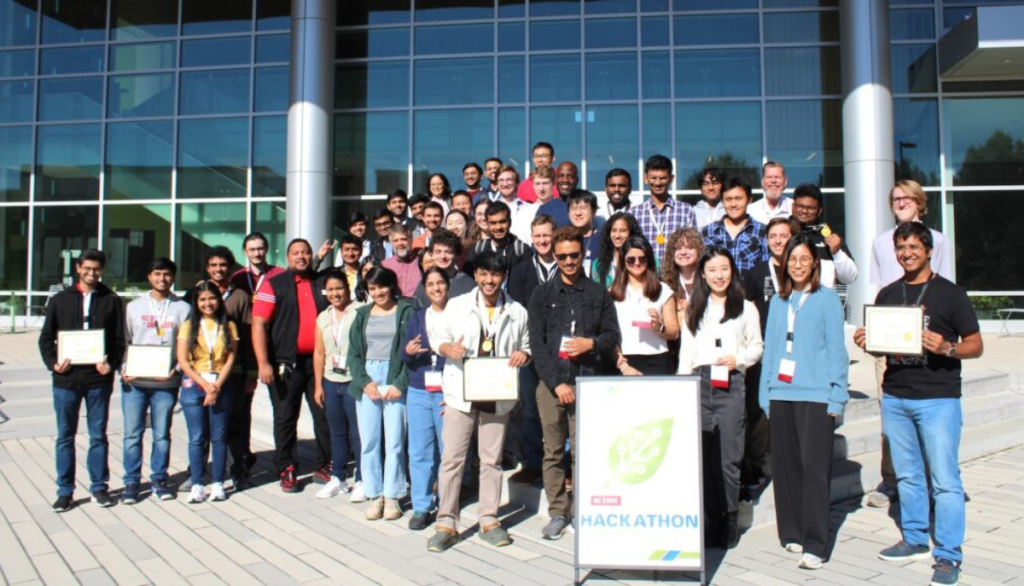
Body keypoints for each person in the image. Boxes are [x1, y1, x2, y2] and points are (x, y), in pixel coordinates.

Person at [854, 223, 982, 586]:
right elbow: (886, 346)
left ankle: (948, 555)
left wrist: (948, 348)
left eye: (913, 246)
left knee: (944, 481)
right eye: (900, 247)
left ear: (928, 250)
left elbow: (975, 344)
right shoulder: (888, 294)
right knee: (908, 475)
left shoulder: (951, 294)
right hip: (896, 396)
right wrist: (869, 342)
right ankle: (913, 539)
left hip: (938, 399)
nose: (906, 253)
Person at [426, 251, 531, 552]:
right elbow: (438, 337)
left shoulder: (517, 310)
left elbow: (525, 345)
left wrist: (524, 355)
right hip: (461, 392)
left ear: (503, 276)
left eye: (495, 275)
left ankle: (489, 520)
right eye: (484, 274)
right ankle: (446, 522)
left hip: (497, 393)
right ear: (476, 276)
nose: (489, 280)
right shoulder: (457, 306)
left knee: (491, 461)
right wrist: (449, 349)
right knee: (453, 460)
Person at [759, 234, 849, 570]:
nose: (797, 265)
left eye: (804, 259)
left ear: (815, 263)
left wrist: (837, 394)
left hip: (816, 395)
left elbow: (837, 351)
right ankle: (792, 531)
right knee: (786, 467)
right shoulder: (778, 301)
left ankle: (816, 542)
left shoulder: (826, 299)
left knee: (814, 469)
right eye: (792, 259)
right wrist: (765, 394)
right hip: (781, 395)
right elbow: (771, 350)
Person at [865, 179, 954, 509]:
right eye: (895, 198)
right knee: (890, 412)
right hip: (889, 340)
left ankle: (929, 480)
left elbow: (945, 288)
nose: (900, 202)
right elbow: (876, 289)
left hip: (924, 339)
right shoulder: (879, 242)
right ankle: (891, 480)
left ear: (920, 202)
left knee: (926, 413)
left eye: (906, 198)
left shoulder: (939, 241)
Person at [528, 227, 621, 541]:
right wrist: (556, 384)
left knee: (585, 452)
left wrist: (590, 345)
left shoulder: (597, 293)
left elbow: (612, 336)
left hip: (587, 382)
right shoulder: (541, 295)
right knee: (553, 452)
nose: (569, 260)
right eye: (563, 255)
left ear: (583, 255)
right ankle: (557, 513)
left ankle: (583, 511)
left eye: (574, 255)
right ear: (554, 256)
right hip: (552, 384)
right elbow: (537, 346)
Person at [677, 246, 763, 549]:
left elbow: (757, 347)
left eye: (724, 269)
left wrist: (737, 359)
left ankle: (728, 521)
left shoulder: (745, 307)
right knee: (702, 458)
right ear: (702, 273)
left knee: (728, 458)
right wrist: (682, 387)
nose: (719, 275)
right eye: (712, 270)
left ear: (732, 271)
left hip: (731, 385)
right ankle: (707, 520)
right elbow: (686, 353)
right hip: (698, 384)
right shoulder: (693, 307)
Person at [41, 249, 125, 512]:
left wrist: (110, 364)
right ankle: (65, 490)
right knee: (65, 436)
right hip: (66, 379)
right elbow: (45, 339)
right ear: (78, 268)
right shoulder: (60, 300)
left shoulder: (111, 300)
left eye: (96, 269)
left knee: (97, 435)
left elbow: (119, 340)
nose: (92, 273)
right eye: (87, 268)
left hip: (97, 380)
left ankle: (99, 487)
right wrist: (53, 362)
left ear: (102, 270)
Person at [252, 239, 333, 492]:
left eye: (306, 252)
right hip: (285, 365)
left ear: (312, 256)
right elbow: (258, 325)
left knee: (323, 414)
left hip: (319, 364)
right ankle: (286, 466)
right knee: (285, 417)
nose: (301, 257)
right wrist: (263, 363)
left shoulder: (322, 283)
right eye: (296, 253)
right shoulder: (274, 284)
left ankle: (325, 462)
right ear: (287, 257)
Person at [120, 258, 191, 504]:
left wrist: (177, 369)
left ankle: (159, 479)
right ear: (149, 276)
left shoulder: (183, 308)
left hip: (165, 382)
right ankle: (131, 482)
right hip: (135, 382)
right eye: (157, 274)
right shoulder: (133, 307)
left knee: (162, 434)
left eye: (167, 274)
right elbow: (125, 341)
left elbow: (188, 346)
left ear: (173, 277)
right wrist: (123, 368)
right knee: (132, 434)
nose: (162, 279)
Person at [347, 267, 415, 521]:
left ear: (392, 286)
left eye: (382, 287)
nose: (378, 293)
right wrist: (364, 382)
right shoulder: (362, 314)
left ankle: (393, 495)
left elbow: (413, 352)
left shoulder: (406, 312)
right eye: (372, 288)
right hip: (368, 379)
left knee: (395, 441)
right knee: (370, 441)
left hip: (395, 377)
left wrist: (400, 382)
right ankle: (375, 494)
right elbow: (353, 353)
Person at [741, 217, 800, 499]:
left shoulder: (802, 269)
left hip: (795, 352)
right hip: (764, 350)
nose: (777, 241)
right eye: (772, 236)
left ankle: (790, 461)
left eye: (783, 235)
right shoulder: (756, 273)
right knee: (758, 411)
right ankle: (755, 465)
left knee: (791, 407)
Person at [228, 232, 285, 485]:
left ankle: (285, 460)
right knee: (242, 408)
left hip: (274, 346)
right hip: (243, 348)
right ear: (245, 252)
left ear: (267, 249)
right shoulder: (238, 278)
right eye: (252, 249)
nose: (257, 253)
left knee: (281, 407)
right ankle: (243, 456)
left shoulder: (280, 274)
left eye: (261, 248)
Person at [506, 214, 558, 485]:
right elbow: (515, 310)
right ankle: (532, 462)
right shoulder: (521, 269)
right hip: (529, 349)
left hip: (559, 350)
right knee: (529, 408)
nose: (542, 241)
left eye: (546, 235)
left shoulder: (565, 263)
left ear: (554, 235)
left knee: (560, 406)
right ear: (531, 237)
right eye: (537, 236)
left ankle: (562, 464)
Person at [176, 281, 239, 503]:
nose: (207, 303)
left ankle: (219, 483)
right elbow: (183, 360)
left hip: (221, 384)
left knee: (219, 437)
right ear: (196, 302)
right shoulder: (188, 325)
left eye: (211, 298)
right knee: (197, 438)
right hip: (195, 385)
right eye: (202, 299)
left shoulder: (228, 324)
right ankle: (197, 483)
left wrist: (217, 386)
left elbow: (231, 356)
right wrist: (205, 385)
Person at [403, 267, 451, 531]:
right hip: (419, 390)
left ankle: (446, 505)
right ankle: (421, 506)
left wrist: (455, 391)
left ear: (447, 285)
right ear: (424, 288)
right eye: (430, 284)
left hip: (446, 392)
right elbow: (404, 354)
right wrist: (408, 352)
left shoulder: (458, 315)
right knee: (419, 450)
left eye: (440, 282)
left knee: (447, 451)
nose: (436, 288)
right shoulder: (417, 316)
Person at [313, 270, 365, 502]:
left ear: (347, 287)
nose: (335, 293)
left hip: (354, 380)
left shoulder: (360, 311)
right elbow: (319, 352)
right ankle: (338, 477)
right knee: (336, 432)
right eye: (331, 289)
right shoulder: (323, 317)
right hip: (331, 381)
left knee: (359, 433)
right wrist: (318, 385)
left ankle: (363, 479)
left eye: (339, 288)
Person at [611, 236, 679, 376]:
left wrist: (659, 327)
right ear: (623, 261)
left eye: (642, 259)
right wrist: (623, 365)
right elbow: (608, 334)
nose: (637, 263)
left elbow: (673, 332)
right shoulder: (612, 292)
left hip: (658, 358)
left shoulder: (663, 290)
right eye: (631, 259)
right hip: (625, 359)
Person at [790, 183, 858, 288]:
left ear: (819, 211)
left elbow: (850, 277)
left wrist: (837, 253)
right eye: (800, 206)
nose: (804, 211)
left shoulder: (829, 235)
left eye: (810, 208)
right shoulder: (783, 233)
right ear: (793, 206)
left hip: (823, 301)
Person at [631, 154, 696, 260]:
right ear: (645, 178)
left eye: (662, 178)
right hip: (645, 274)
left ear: (671, 179)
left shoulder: (686, 211)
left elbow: (693, 247)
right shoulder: (635, 213)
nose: (657, 183)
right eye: (653, 178)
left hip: (676, 274)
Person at [701, 177, 768, 278]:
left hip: (750, 293)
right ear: (722, 201)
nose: (733, 204)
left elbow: (767, 273)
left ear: (749, 200)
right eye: (728, 199)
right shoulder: (707, 232)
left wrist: (767, 293)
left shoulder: (762, 231)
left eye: (738, 199)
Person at [413, 230, 475, 308]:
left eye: (448, 252)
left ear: (457, 255)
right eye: (438, 252)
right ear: (432, 255)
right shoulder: (424, 284)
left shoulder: (468, 285)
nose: (443, 256)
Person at [469, 201, 530, 271]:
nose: (498, 227)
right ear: (488, 225)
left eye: (502, 222)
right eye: (493, 223)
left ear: (510, 222)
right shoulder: (478, 250)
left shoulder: (522, 250)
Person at [593, 211, 643, 287]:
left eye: (623, 231)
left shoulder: (644, 260)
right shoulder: (598, 265)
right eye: (613, 230)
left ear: (632, 233)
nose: (617, 235)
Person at [493, 165, 537, 243]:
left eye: (509, 180)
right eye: (501, 180)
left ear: (516, 183)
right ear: (496, 185)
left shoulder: (530, 209)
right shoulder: (491, 210)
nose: (505, 184)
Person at [381, 223, 422, 298]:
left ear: (411, 240)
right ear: (391, 243)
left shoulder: (421, 261)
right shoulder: (384, 266)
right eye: (396, 240)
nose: (400, 243)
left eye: (404, 239)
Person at [567, 190, 602, 274]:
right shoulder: (564, 240)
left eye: (583, 208)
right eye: (573, 208)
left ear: (594, 211)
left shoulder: (603, 238)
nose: (578, 213)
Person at [749, 161, 793, 225]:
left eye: (777, 177)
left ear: (785, 181)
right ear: (762, 182)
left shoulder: (794, 209)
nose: (773, 181)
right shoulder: (751, 211)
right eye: (769, 177)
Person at [536, 162, 576, 229]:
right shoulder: (544, 209)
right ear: (555, 180)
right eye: (561, 176)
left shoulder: (585, 207)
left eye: (570, 176)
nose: (565, 180)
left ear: (577, 180)